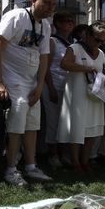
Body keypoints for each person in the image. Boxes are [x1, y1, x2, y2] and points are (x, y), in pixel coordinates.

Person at [0, 0, 57, 186]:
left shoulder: (45, 26)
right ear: (34, 0)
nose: (50, 8)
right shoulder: (15, 16)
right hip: (12, 78)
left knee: (32, 124)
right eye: (46, 3)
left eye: (53, 5)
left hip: (31, 81)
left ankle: (30, 166)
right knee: (18, 116)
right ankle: (11, 169)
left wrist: (39, 86)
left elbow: (44, 57)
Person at [57, 23, 105, 172]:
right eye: (97, 39)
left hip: (94, 95)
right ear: (88, 35)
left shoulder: (101, 53)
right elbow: (64, 64)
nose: (99, 43)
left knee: (92, 129)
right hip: (78, 93)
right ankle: (75, 162)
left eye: (102, 41)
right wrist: (86, 68)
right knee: (77, 127)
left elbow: (103, 71)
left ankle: (85, 161)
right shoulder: (75, 48)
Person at [43, 12, 75, 168]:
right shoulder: (51, 42)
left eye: (71, 21)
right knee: (53, 121)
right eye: (65, 21)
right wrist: (50, 88)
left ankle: (64, 153)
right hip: (53, 85)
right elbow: (45, 67)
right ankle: (52, 154)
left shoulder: (74, 43)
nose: (69, 23)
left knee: (66, 122)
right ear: (57, 24)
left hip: (69, 88)